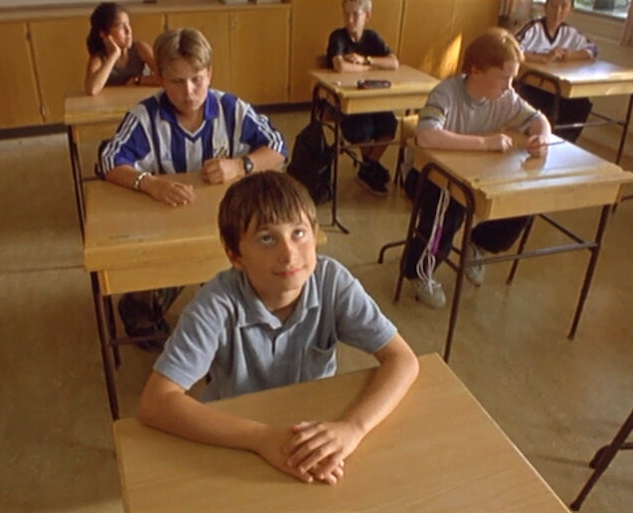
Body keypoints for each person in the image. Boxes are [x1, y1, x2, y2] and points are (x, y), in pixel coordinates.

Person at [137, 171, 419, 485]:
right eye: (267, 238)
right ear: (235, 255)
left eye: (298, 233)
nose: (289, 254)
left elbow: (402, 359)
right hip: (235, 436)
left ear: (315, 234)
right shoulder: (216, 304)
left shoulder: (332, 282)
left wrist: (353, 427)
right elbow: (156, 402)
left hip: (311, 430)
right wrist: (260, 438)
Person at [98, 28, 287, 345]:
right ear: (160, 79)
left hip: (223, 221)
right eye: (176, 81)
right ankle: (139, 303)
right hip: (165, 226)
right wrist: (149, 183)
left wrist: (240, 165)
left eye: (197, 79)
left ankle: (227, 306)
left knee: (243, 269)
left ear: (209, 73)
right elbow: (109, 160)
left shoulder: (231, 109)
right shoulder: (145, 116)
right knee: (151, 287)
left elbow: (278, 146)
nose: (188, 92)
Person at [401, 28, 551, 309]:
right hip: (426, 175)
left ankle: (479, 243)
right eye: (503, 78)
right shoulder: (446, 94)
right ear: (476, 71)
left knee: (524, 200)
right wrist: (485, 143)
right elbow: (427, 136)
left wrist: (541, 137)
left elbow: (538, 119)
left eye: (512, 78)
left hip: (476, 175)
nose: (509, 86)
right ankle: (419, 270)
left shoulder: (505, 98)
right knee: (449, 207)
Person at [326, 0, 399, 197]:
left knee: (389, 124)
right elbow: (340, 66)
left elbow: (393, 63)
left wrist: (366, 60)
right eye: (346, 14)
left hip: (373, 100)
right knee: (362, 127)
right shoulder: (338, 37)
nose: (350, 20)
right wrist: (370, 68)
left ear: (367, 16)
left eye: (355, 15)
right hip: (346, 103)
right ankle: (370, 168)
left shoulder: (372, 37)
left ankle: (369, 165)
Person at [514, 0, 596, 142]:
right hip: (530, 83)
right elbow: (513, 50)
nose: (558, 11)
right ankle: (541, 136)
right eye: (553, 5)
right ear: (545, 7)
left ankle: (563, 141)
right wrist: (542, 58)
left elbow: (593, 50)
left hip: (555, 85)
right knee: (546, 103)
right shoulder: (533, 28)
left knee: (581, 103)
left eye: (564, 6)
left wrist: (571, 55)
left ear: (571, 9)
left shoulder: (570, 32)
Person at [84, 2, 160, 96]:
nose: (128, 31)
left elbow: (166, 77)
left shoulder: (140, 48)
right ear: (103, 33)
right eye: (120, 26)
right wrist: (114, 55)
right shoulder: (99, 59)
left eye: (128, 24)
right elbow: (92, 90)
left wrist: (138, 80)